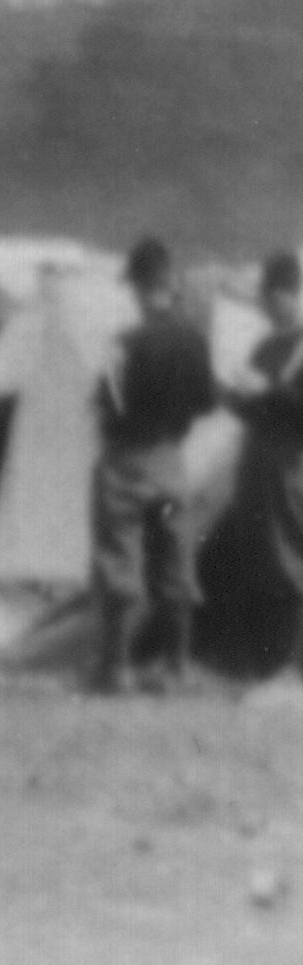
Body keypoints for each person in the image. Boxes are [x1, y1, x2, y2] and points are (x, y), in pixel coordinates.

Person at [89, 237, 221, 691]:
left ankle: (116, 669)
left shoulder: (124, 343)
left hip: (125, 459)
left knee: (119, 558)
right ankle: (176, 667)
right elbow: (208, 402)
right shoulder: (195, 340)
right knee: (175, 558)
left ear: (140, 287)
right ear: (169, 283)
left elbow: (107, 402)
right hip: (170, 460)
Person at [220, 247, 303, 676]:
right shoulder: (267, 345)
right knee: (261, 558)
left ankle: (292, 663)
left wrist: (267, 391)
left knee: (290, 559)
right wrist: (235, 397)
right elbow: (253, 406)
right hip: (258, 460)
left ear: (290, 293)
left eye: (272, 297)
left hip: (291, 462)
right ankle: (265, 661)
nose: (266, 307)